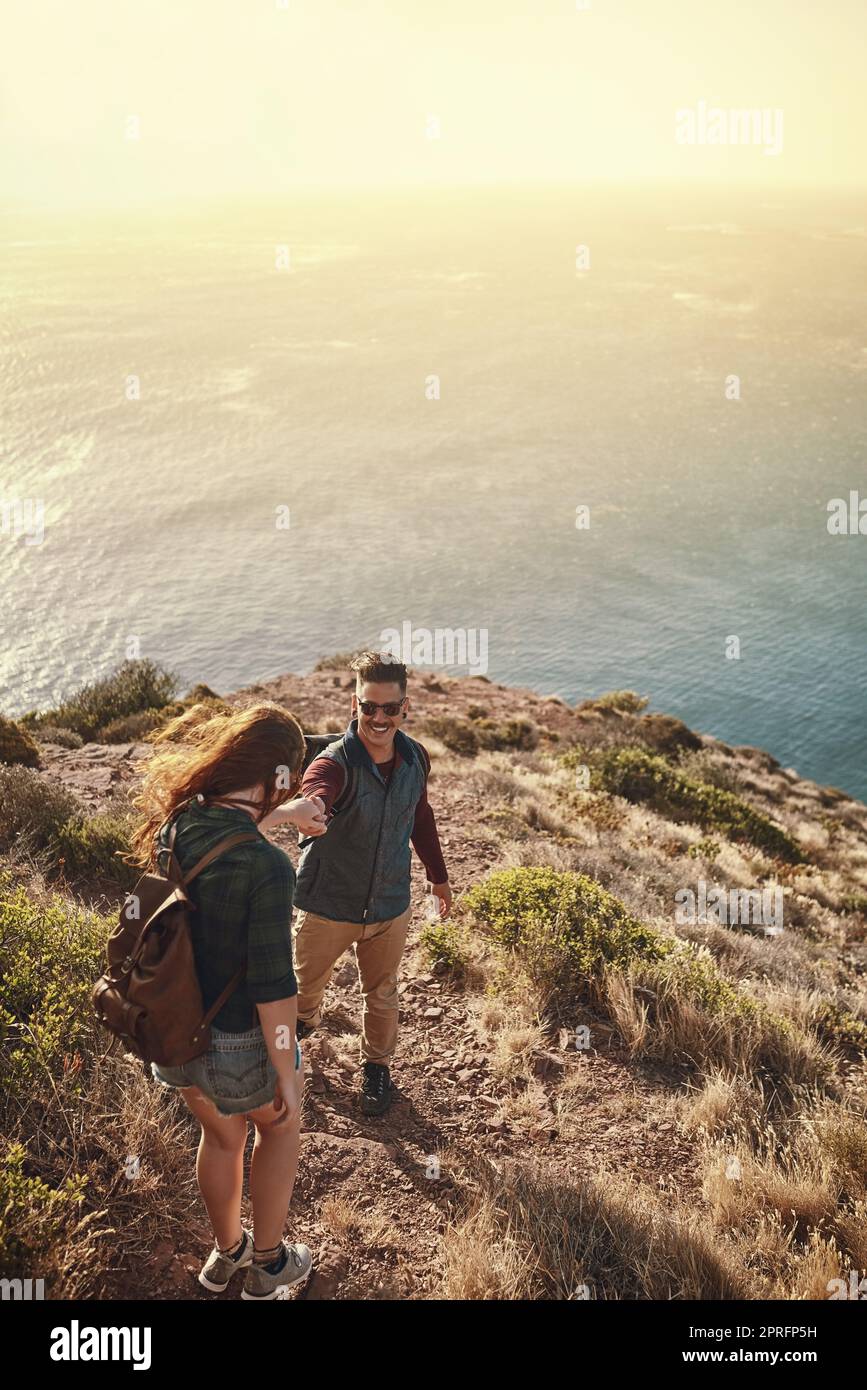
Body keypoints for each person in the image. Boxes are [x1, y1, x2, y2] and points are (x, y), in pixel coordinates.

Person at [130, 701, 327, 1300]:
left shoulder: (179, 823)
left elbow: (224, 850)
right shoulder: (268, 867)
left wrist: (280, 813)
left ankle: (226, 1253)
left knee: (220, 1138)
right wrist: (289, 1071)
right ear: (276, 779)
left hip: (173, 1028)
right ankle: (267, 1266)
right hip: (237, 1039)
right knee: (280, 1129)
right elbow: (274, 990)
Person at [269, 651, 451, 1116]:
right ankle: (296, 1039)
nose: (378, 718)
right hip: (327, 905)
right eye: (369, 707)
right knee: (304, 993)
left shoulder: (415, 758)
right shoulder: (334, 764)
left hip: (390, 904)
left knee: (383, 992)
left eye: (390, 709)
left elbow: (421, 816)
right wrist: (310, 812)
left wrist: (438, 877)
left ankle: (376, 1069)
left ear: (404, 707)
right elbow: (317, 792)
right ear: (355, 704)